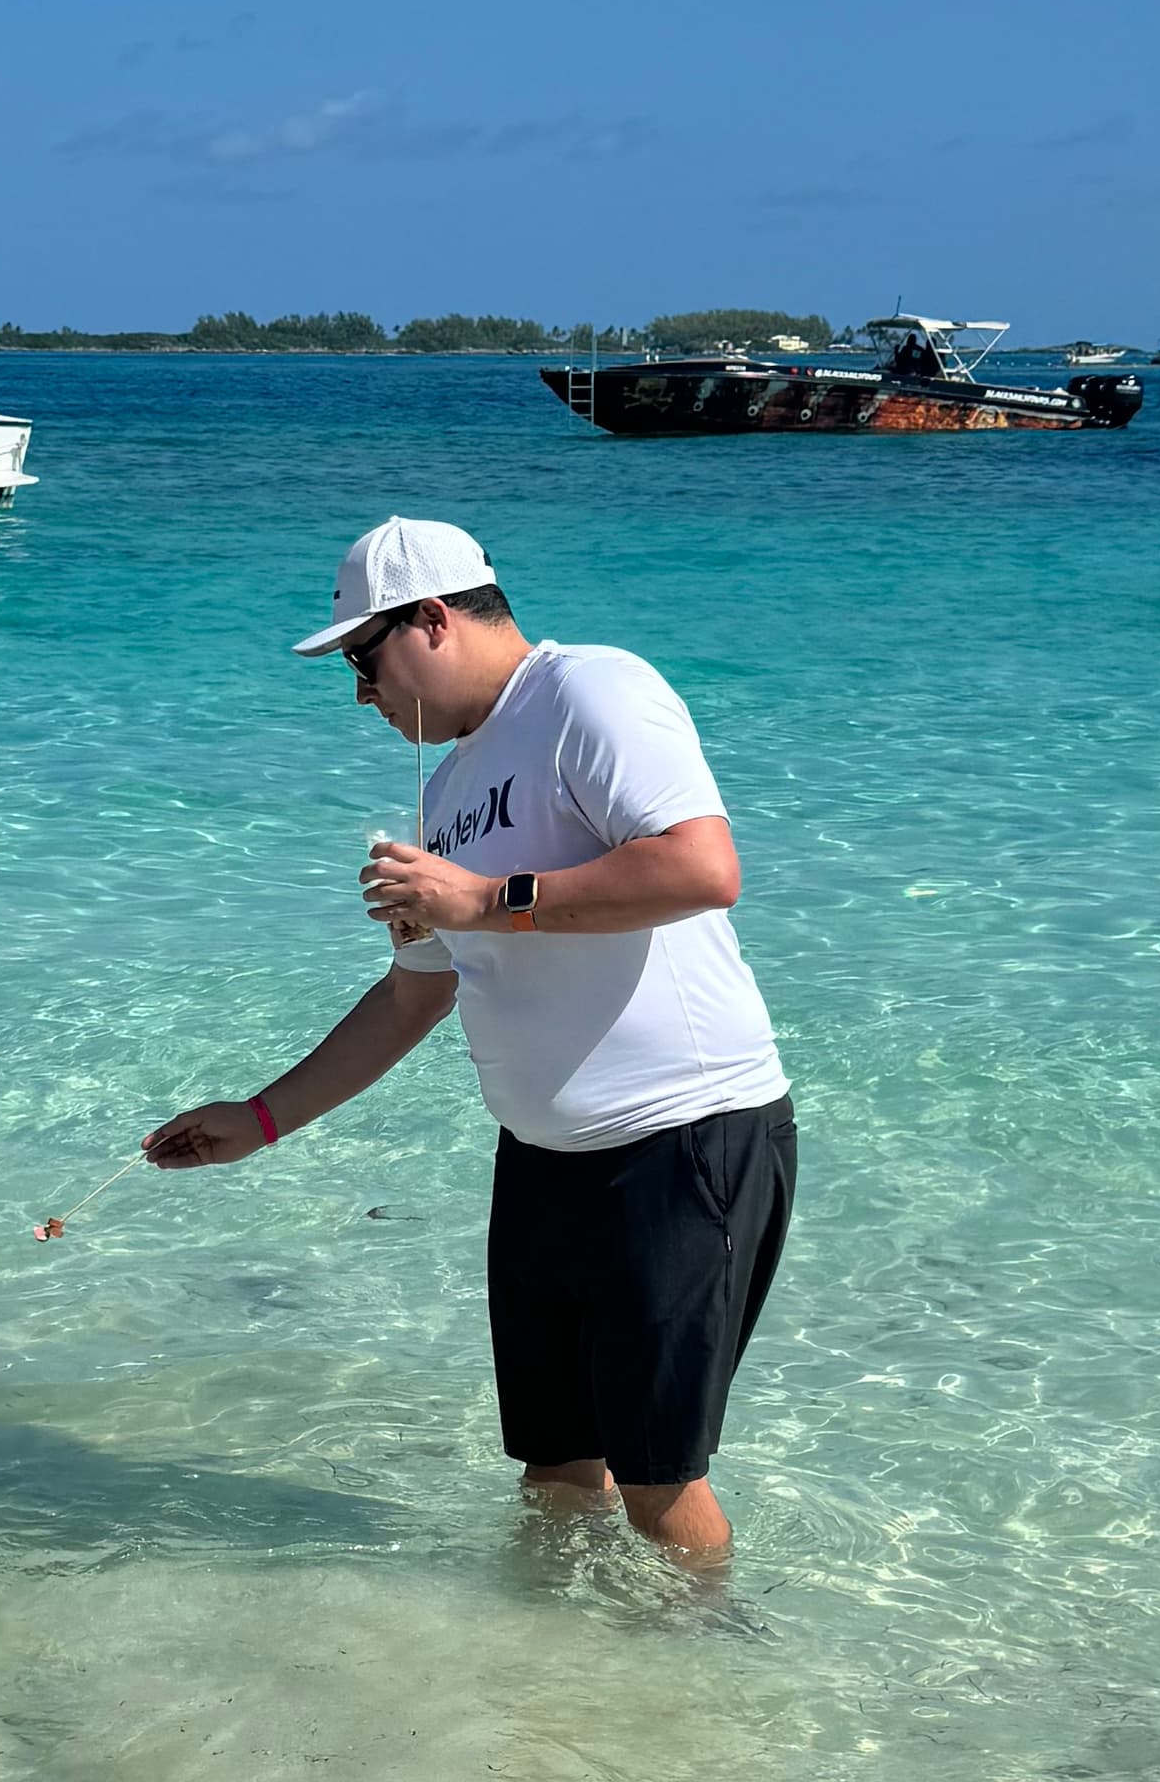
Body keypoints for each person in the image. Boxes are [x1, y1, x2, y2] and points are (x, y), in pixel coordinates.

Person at [141, 519, 794, 1566]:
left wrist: (483, 896)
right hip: (543, 1164)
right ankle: (553, 1681)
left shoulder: (590, 690)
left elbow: (702, 867)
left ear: (433, 619)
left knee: (659, 1480)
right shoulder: (445, 788)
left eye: (364, 659)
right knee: (555, 1470)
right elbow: (412, 999)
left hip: (682, 1137)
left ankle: (704, 1696)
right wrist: (259, 1118)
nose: (362, 693)